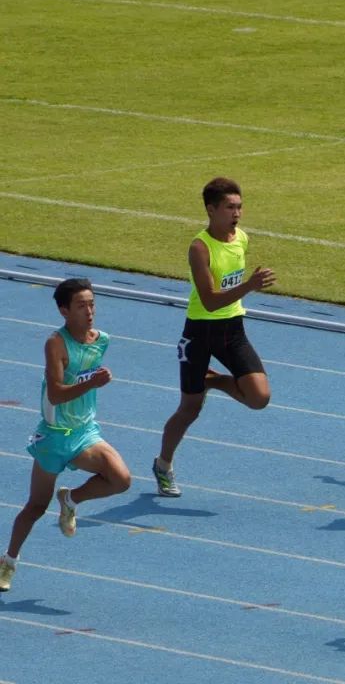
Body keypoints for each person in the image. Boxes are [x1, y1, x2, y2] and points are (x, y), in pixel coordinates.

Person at [0, 279, 132, 593]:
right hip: (54, 436)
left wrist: (93, 382)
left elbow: (87, 379)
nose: (90, 311)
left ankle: (70, 499)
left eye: (92, 304)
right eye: (81, 305)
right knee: (35, 507)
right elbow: (57, 395)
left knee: (121, 479)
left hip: (85, 432)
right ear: (64, 311)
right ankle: (8, 562)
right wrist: (93, 383)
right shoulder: (55, 344)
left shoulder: (102, 340)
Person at [153, 177, 275, 497]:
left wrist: (245, 289)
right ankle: (163, 464)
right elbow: (208, 300)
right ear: (211, 210)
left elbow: (229, 296)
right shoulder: (199, 248)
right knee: (189, 410)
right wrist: (249, 286)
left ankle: (214, 380)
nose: (237, 213)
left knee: (259, 397)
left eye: (239, 206)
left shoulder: (242, 239)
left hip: (232, 329)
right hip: (200, 333)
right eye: (229, 207)